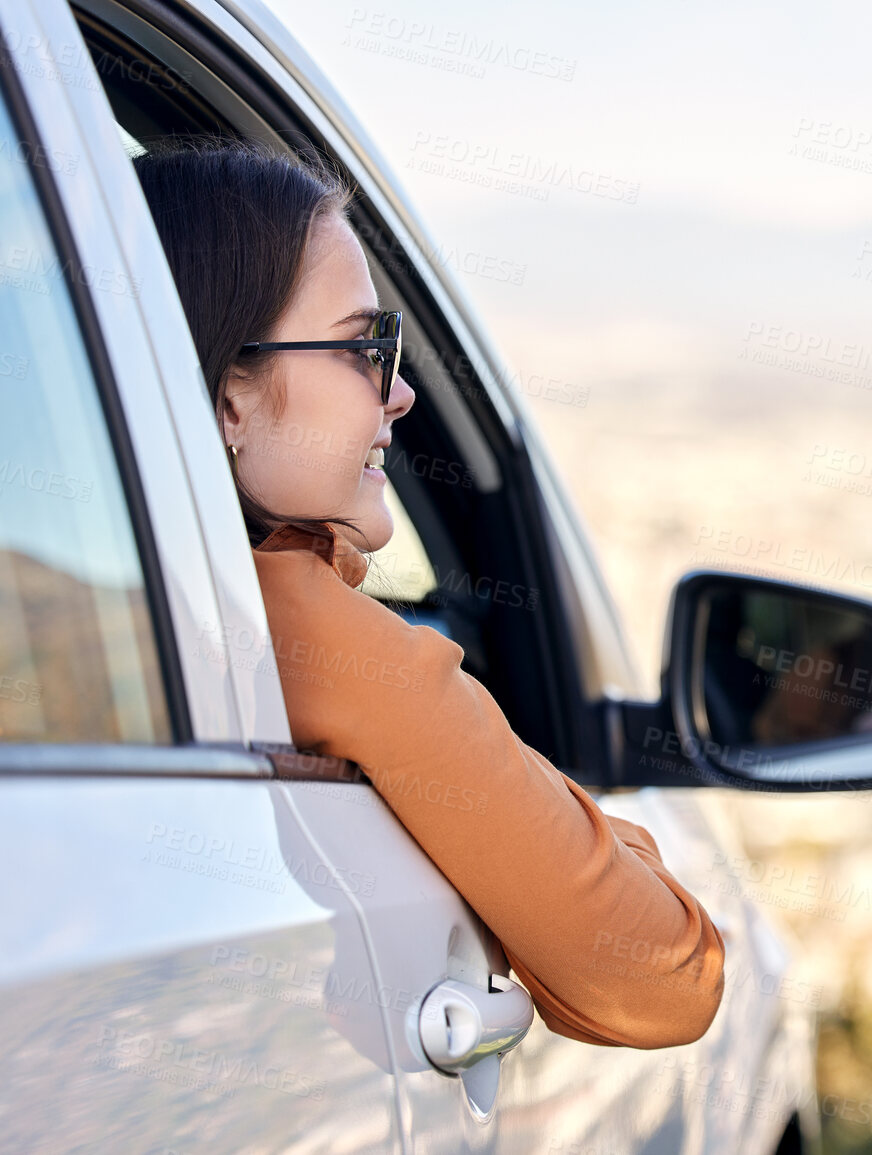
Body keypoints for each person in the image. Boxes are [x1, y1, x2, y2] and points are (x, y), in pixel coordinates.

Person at [132, 140, 724, 1049]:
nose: (401, 392)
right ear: (226, 399)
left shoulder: (132, 602)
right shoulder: (314, 638)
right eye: (364, 347)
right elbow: (669, 974)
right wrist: (584, 825)